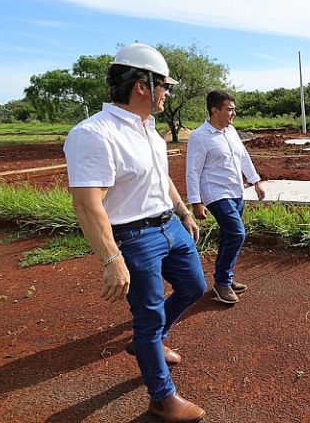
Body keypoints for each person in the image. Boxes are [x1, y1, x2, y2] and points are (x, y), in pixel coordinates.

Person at [64, 42, 206, 423]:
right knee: (147, 316)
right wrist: (111, 259)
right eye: (164, 85)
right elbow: (88, 203)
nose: (167, 93)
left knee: (194, 287)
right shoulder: (95, 134)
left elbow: (161, 180)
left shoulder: (150, 130)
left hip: (169, 225)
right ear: (141, 85)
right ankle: (162, 400)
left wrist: (182, 212)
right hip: (133, 237)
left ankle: (154, 342)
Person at [186, 90, 265, 304]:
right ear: (215, 110)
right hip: (216, 194)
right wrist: (196, 202)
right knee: (237, 233)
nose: (234, 113)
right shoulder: (199, 136)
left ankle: (225, 279)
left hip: (236, 191)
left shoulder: (231, 131)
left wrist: (255, 181)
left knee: (230, 236)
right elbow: (192, 171)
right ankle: (222, 282)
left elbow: (243, 157)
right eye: (230, 109)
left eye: (234, 109)